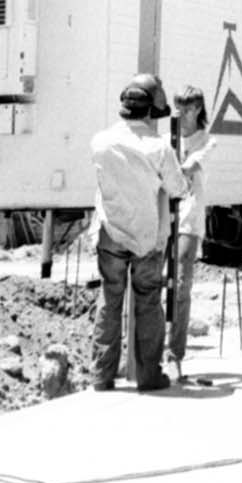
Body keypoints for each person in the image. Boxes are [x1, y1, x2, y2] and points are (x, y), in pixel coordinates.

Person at [89, 72, 186, 393]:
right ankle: (148, 376)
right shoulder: (158, 148)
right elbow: (177, 189)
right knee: (148, 304)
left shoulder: (100, 142)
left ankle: (101, 376)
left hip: (110, 233)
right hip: (146, 237)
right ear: (150, 109)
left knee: (109, 302)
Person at [168, 83, 214, 381]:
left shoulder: (207, 141)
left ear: (197, 109)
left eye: (186, 108)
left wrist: (177, 166)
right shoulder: (167, 138)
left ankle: (175, 354)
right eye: (178, 108)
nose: (180, 114)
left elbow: (191, 166)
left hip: (188, 217)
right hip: (164, 217)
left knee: (182, 284)